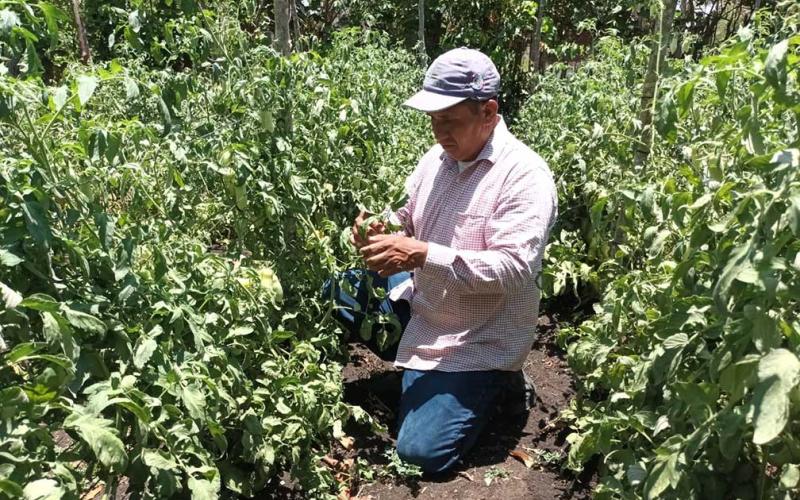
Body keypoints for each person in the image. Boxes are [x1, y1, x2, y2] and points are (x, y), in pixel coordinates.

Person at [325, 47, 558, 475]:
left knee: (419, 455)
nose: (438, 132)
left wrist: (422, 253)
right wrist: (381, 227)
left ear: (488, 112)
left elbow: (512, 269)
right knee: (340, 292)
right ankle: (421, 378)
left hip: (478, 338)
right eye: (433, 120)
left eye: (449, 120)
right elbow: (408, 216)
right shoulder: (438, 159)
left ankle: (500, 388)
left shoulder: (524, 176)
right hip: (427, 309)